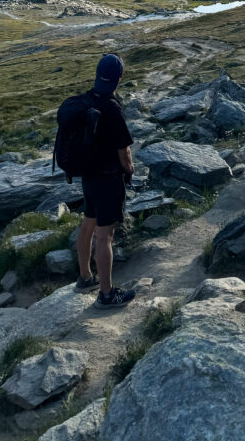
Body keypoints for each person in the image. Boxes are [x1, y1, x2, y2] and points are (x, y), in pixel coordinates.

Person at [75, 53, 136, 311]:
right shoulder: (112, 107)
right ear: (119, 78)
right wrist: (130, 169)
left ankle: (85, 277)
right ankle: (107, 294)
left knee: (88, 223)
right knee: (105, 234)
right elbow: (124, 152)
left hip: (88, 175)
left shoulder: (89, 100)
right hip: (108, 179)